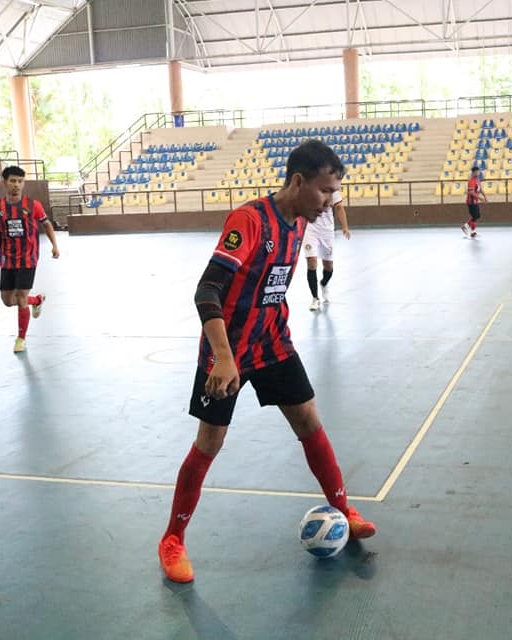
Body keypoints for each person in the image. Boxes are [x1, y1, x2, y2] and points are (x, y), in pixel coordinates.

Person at [158, 140, 377, 584]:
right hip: (228, 352)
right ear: (298, 181)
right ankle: (172, 539)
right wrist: (223, 358)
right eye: (324, 191)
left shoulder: (301, 223)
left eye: (335, 194)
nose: (330, 202)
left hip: (273, 342)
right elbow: (207, 291)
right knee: (209, 443)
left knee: (309, 422)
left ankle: (341, 507)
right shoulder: (249, 221)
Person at [0, 165, 60, 353]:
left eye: (20, 181)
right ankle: (36, 300)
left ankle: (21, 338)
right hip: (7, 260)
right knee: (8, 300)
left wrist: (54, 245)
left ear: (24, 183)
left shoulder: (33, 205)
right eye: (12, 181)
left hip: (28, 259)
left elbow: (46, 225)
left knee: (21, 297)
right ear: (4, 182)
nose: (16, 185)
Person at [303, 189, 350, 311]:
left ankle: (323, 283)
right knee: (311, 262)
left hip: (327, 232)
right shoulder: (307, 189)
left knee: (328, 267)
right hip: (310, 230)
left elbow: (339, 208)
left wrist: (345, 227)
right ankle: (315, 298)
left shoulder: (332, 190)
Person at [461, 164, 487, 238]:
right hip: (471, 201)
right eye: (476, 172)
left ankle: (465, 227)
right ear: (473, 172)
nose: (478, 173)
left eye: (478, 171)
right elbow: (471, 192)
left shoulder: (477, 180)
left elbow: (480, 189)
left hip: (475, 201)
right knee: (475, 216)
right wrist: (480, 198)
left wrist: (485, 196)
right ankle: (472, 232)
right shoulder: (471, 181)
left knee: (477, 216)